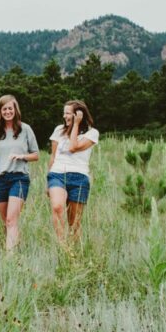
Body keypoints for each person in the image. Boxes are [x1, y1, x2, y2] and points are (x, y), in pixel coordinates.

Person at [0, 95, 39, 252]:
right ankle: (16, 247)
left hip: (19, 178)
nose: (8, 111)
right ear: (0, 111)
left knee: (11, 220)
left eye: (10, 108)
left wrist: (22, 156)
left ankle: (10, 258)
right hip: (0, 180)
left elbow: (36, 155)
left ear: (15, 110)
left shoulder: (25, 129)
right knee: (7, 222)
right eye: (4, 109)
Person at [47, 100, 99, 243]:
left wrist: (75, 125)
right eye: (64, 113)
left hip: (79, 177)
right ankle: (62, 245)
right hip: (57, 174)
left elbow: (73, 147)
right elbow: (53, 155)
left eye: (68, 113)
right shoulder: (59, 130)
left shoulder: (92, 133)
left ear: (78, 115)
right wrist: (48, 181)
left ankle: (73, 252)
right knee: (57, 207)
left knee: (74, 222)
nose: (64, 116)